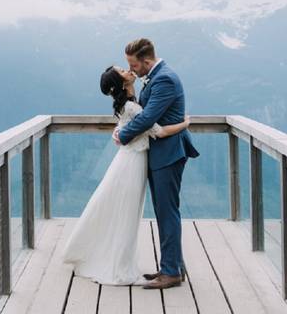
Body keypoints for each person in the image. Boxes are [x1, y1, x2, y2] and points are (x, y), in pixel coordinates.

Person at [60, 63, 191, 285]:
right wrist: (184, 123)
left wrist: (120, 132)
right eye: (123, 71)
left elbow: (127, 126)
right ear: (121, 82)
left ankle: (146, 262)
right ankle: (121, 264)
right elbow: (157, 131)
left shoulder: (128, 104)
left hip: (131, 159)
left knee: (122, 209)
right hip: (134, 162)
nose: (128, 70)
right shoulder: (131, 106)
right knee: (127, 213)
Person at [113, 38, 200, 289]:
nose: (132, 69)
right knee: (165, 212)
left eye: (133, 64)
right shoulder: (157, 76)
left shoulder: (164, 79)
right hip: (162, 152)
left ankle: (171, 272)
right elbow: (146, 112)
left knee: (167, 212)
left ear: (147, 61)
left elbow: (149, 116)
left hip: (169, 154)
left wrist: (122, 136)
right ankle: (173, 266)